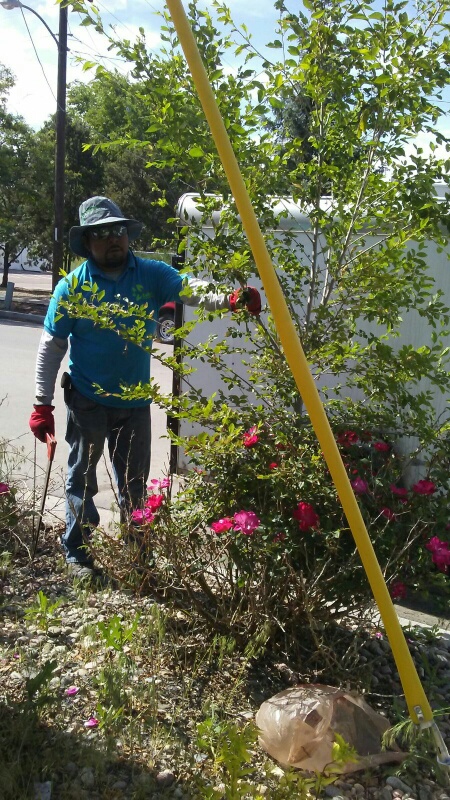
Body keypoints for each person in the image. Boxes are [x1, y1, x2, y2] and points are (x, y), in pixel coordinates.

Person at [29, 196, 261, 579]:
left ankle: (139, 559)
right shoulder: (72, 288)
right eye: (100, 234)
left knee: (134, 485)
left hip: (135, 403)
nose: (112, 239)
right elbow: (51, 347)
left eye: (117, 230)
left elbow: (189, 288)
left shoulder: (151, 274)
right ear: (88, 243)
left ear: (127, 235)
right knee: (81, 479)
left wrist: (231, 298)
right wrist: (42, 404)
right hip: (87, 400)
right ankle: (78, 556)